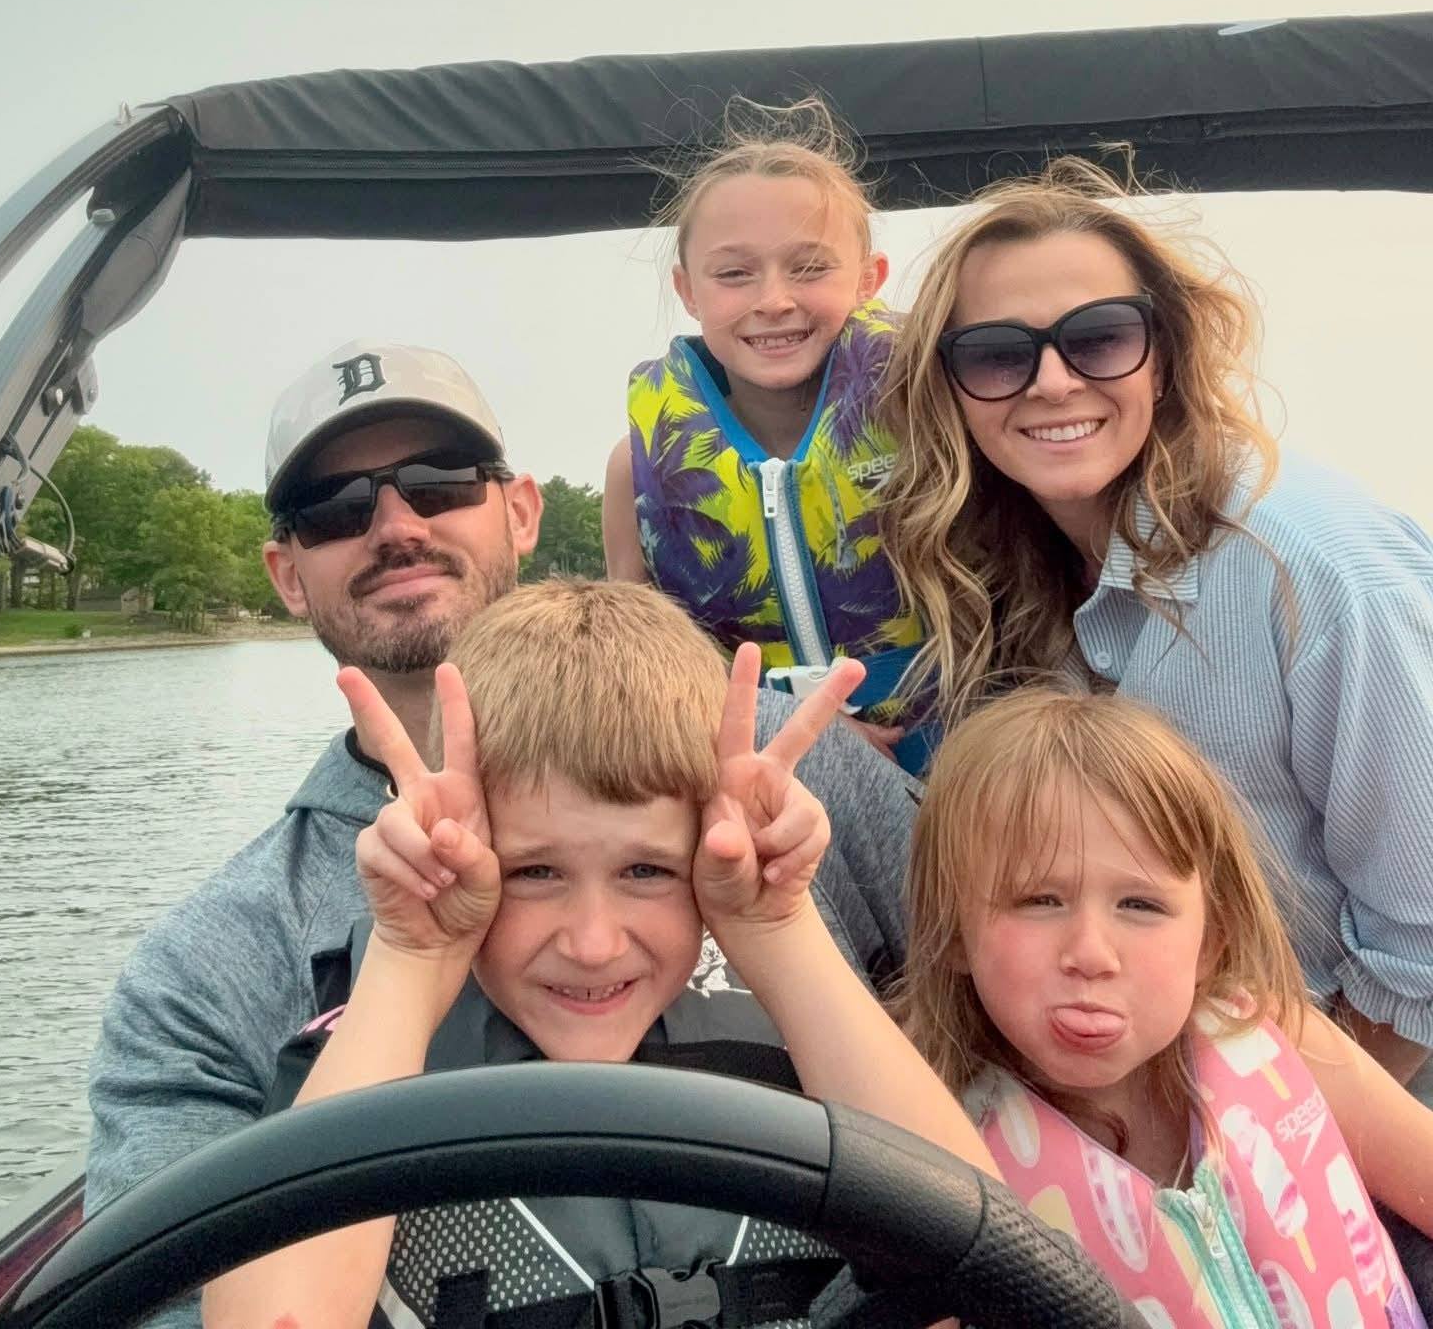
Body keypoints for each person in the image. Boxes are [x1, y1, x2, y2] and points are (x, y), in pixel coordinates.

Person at [85, 340, 927, 1329]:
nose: (395, 526)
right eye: (335, 509)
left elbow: (1033, 1084)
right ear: (286, 571)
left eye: (439, 484)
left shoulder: (803, 781)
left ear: (521, 510)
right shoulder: (203, 971)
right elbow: (165, 1301)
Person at [203, 580, 995, 1329]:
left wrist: (776, 927)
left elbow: (987, 1260)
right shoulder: (364, 1057)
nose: (592, 943)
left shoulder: (805, 1037)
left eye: (646, 871)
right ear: (465, 857)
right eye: (533, 873)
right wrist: (413, 956)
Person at [878, 157, 1433, 1083]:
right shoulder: (1000, 572)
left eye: (1099, 339)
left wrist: (1258, 1141)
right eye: (997, 354)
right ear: (951, 391)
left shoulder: (1315, 571)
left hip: (1351, 1113)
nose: (1051, 383)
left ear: (1165, 355)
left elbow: (1425, 951)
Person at [893, 685, 1432, 1328]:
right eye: (1039, 901)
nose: (1090, 952)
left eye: (1140, 905)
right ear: (953, 933)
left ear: (1211, 942)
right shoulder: (954, 1153)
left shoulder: (1274, 1033)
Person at [602, 99, 934, 773]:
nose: (774, 299)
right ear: (688, 290)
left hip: (955, 768)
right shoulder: (632, 470)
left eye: (810, 267)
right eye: (734, 273)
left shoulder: (933, 420)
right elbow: (640, 666)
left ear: (870, 280)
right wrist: (789, 734)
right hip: (758, 773)